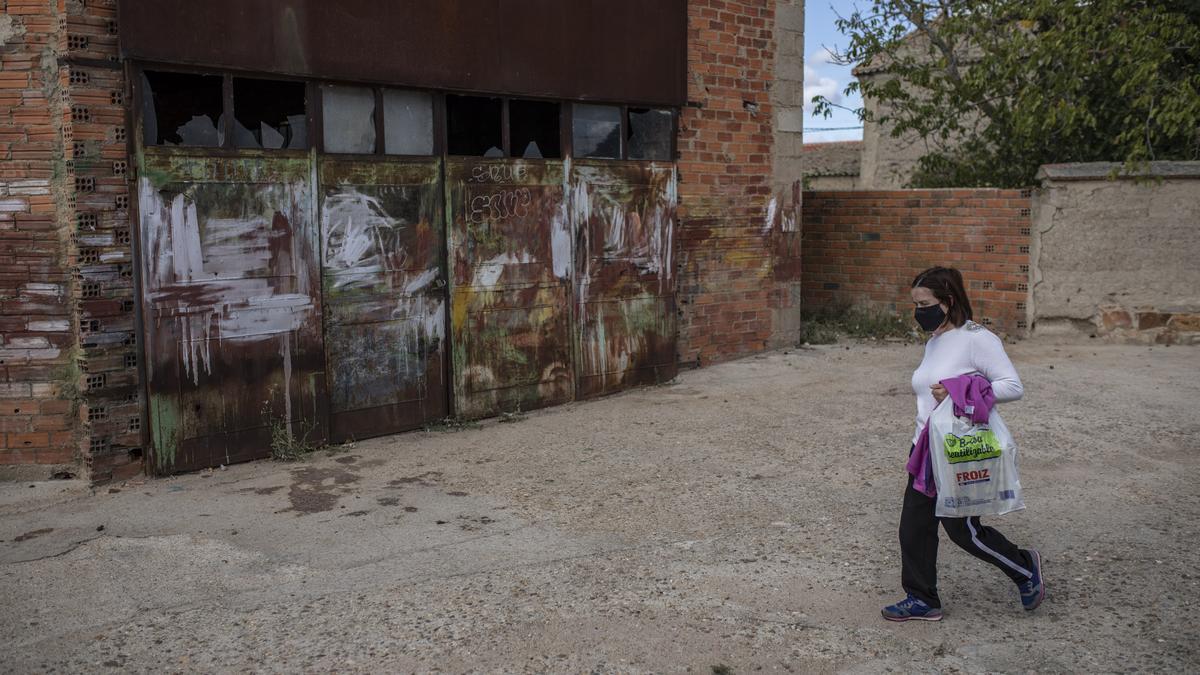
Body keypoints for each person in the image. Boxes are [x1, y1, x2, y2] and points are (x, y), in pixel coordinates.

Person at [882, 266, 1045, 622]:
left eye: (924, 303)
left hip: (957, 453)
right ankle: (922, 598)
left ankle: (1025, 566)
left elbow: (1012, 386)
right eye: (915, 304)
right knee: (914, 528)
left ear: (948, 300)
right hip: (925, 449)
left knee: (963, 531)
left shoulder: (977, 338)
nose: (918, 312)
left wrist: (961, 390)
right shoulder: (935, 339)